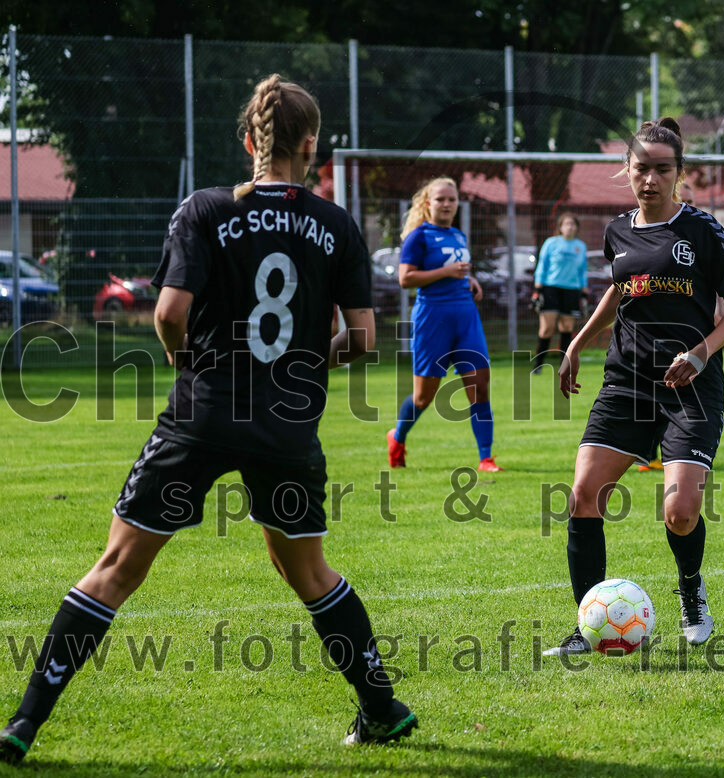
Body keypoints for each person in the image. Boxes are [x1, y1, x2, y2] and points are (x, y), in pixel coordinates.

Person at [0, 75, 416, 765]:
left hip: (203, 414)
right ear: (311, 146)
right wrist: (306, 361)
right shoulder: (338, 225)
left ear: (250, 141)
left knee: (116, 568)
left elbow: (168, 313)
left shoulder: (206, 208)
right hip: (286, 427)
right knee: (309, 572)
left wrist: (184, 358)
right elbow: (365, 339)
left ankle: (23, 722)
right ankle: (382, 706)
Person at [543, 117, 724, 655]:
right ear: (627, 170)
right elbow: (619, 289)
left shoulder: (704, 232)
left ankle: (690, 589)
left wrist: (700, 353)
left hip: (691, 386)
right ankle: (587, 626)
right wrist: (576, 343)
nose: (651, 179)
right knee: (583, 496)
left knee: (680, 513)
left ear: (679, 173)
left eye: (662, 169)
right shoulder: (617, 231)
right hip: (627, 382)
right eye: (642, 169)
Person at [386, 177, 503, 473]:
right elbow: (405, 279)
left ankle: (486, 458)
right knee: (423, 397)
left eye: (452, 199)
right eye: (440, 199)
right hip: (432, 320)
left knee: (480, 388)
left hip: (465, 318)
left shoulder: (458, 236)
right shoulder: (418, 236)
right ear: (428, 203)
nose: (447, 204)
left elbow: (454, 272)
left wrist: (468, 279)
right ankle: (397, 437)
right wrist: (447, 271)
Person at [531, 213, 589, 373]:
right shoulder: (551, 243)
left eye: (573, 224)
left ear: (577, 228)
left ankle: (564, 366)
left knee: (567, 327)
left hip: (572, 290)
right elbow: (542, 265)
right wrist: (538, 287)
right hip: (551, 288)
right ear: (560, 227)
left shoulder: (580, 246)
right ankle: (538, 365)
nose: (570, 227)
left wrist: (584, 289)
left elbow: (583, 269)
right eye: (567, 224)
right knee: (547, 328)